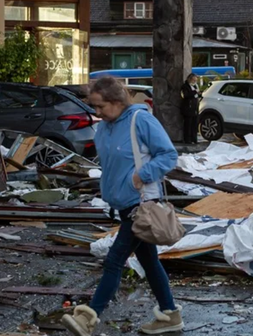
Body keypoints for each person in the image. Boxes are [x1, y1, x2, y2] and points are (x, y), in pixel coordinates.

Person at [62, 77, 182, 336]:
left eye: (101, 106)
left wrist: (141, 175)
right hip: (122, 203)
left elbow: (169, 155)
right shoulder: (105, 126)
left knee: (114, 259)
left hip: (142, 203)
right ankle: (170, 314)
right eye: (94, 106)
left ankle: (89, 318)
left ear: (117, 101)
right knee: (149, 261)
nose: (97, 112)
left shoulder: (141, 120)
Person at [181, 73, 201, 144]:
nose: (194, 81)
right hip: (188, 108)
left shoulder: (195, 86)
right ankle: (187, 139)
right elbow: (186, 95)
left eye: (195, 80)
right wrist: (195, 92)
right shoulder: (185, 86)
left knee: (194, 124)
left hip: (194, 107)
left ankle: (194, 139)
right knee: (188, 124)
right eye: (193, 80)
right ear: (190, 79)